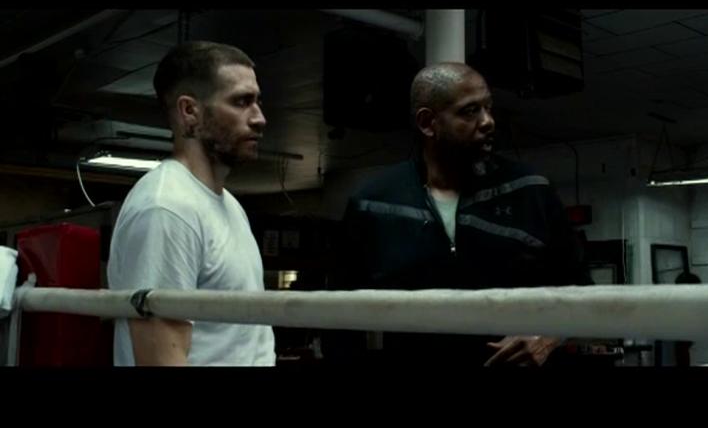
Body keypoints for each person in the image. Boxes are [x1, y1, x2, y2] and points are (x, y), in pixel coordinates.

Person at [329, 62, 589, 367]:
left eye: (489, 108)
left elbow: (581, 289)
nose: (488, 121)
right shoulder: (372, 204)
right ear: (428, 123)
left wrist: (545, 337)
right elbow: (337, 316)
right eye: (470, 111)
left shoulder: (531, 191)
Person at [107, 41, 275, 366]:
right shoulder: (167, 208)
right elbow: (160, 360)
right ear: (190, 112)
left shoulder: (230, 206)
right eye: (241, 102)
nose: (259, 118)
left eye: (257, 101)